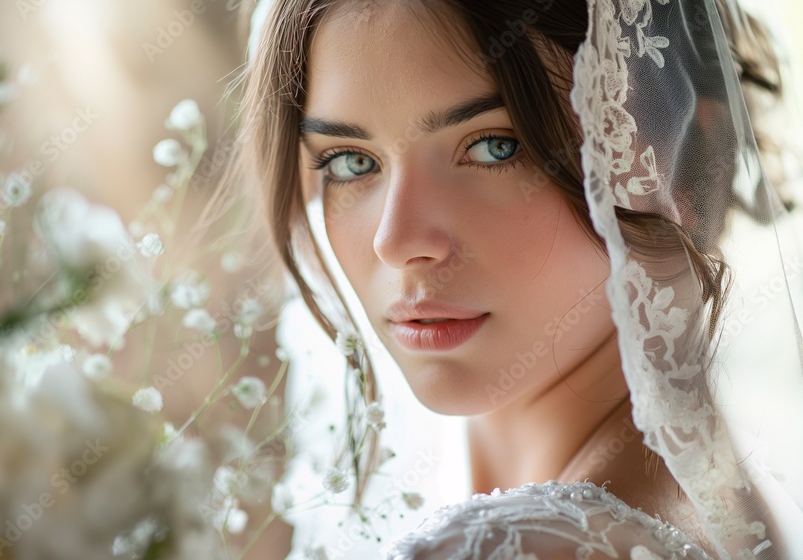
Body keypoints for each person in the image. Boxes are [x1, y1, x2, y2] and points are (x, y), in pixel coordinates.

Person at [234, 0, 803, 557]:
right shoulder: (730, 504)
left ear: (680, 161)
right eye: (351, 162)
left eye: (493, 146)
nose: (396, 241)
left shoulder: (497, 549)